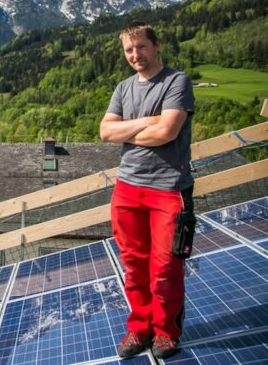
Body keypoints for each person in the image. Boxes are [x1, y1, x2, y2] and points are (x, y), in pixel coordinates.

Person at [99, 21, 194, 360]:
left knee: (166, 267)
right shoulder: (124, 88)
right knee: (134, 265)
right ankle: (140, 327)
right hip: (127, 189)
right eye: (129, 49)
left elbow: (167, 132)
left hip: (168, 189)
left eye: (141, 47)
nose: (135, 54)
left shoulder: (177, 82)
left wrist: (128, 130)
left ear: (156, 46)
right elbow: (106, 132)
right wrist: (146, 123)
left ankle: (166, 332)